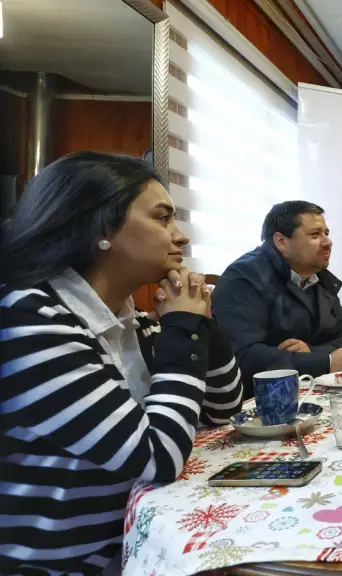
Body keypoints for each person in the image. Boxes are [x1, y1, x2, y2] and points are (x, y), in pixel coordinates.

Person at [0, 152, 242, 575]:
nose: (180, 236)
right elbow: (158, 457)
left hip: (133, 542)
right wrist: (184, 329)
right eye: (163, 218)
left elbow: (222, 410)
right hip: (69, 563)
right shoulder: (29, 319)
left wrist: (203, 322)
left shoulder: (128, 319)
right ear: (101, 227)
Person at [212, 201, 342, 398]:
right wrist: (325, 362)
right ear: (281, 241)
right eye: (315, 235)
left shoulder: (318, 277)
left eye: (326, 233)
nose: (327, 242)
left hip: (309, 392)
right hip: (257, 404)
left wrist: (312, 352)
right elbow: (244, 357)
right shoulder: (243, 277)